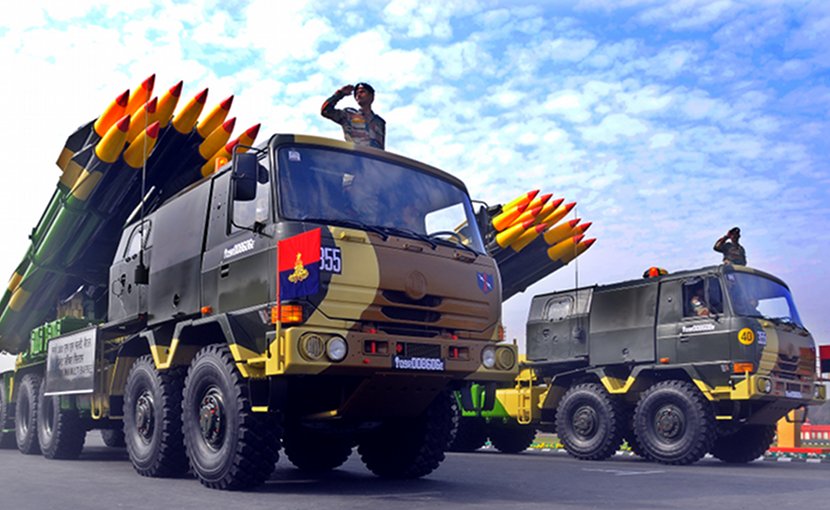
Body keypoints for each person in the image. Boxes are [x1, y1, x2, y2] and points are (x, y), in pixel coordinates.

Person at [321, 82, 386, 150]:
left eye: (362, 92)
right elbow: (326, 111)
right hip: (355, 157)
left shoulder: (380, 122)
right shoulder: (348, 115)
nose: (358, 95)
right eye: (356, 94)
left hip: (372, 159)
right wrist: (340, 94)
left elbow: (381, 147)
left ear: (371, 96)